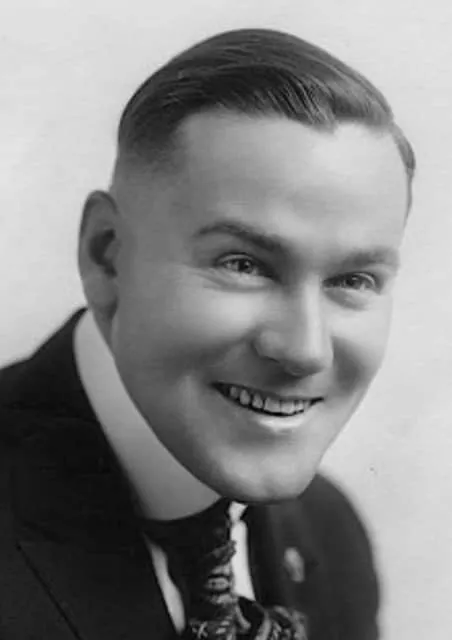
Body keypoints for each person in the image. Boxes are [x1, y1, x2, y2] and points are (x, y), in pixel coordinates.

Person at [0, 28, 415, 640]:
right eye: (244, 265)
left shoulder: (331, 534)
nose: (305, 349)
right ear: (107, 256)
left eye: (353, 280)